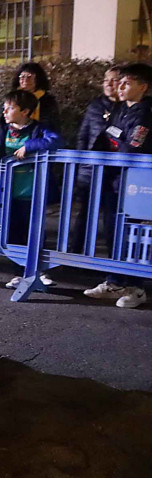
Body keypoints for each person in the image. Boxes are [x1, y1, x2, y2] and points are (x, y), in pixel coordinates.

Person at [0, 90, 64, 288]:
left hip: (32, 193)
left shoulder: (39, 130)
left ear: (25, 111)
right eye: (4, 108)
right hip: (8, 193)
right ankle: (18, 271)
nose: (4, 112)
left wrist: (30, 146)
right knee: (12, 233)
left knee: (34, 233)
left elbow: (57, 141)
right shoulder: (2, 132)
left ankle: (39, 270)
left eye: (10, 108)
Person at [83, 62, 152, 309]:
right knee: (113, 231)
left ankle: (136, 287)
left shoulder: (145, 112)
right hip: (113, 178)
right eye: (119, 82)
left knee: (134, 234)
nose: (120, 87)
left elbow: (133, 146)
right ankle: (114, 280)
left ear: (143, 87)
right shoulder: (119, 109)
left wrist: (115, 133)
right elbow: (103, 138)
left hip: (136, 181)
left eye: (127, 83)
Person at [71, 65, 122, 253]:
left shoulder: (128, 107)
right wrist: (82, 162)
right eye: (106, 80)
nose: (109, 84)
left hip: (117, 172)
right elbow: (83, 136)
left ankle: (113, 257)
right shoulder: (96, 105)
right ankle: (75, 255)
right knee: (85, 214)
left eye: (114, 80)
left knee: (112, 215)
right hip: (91, 169)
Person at [11, 62, 61, 135]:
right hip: (13, 137)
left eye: (29, 77)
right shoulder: (12, 99)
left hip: (40, 137)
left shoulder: (48, 101)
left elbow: (53, 125)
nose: (25, 80)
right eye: (22, 77)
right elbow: (3, 124)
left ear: (38, 79)